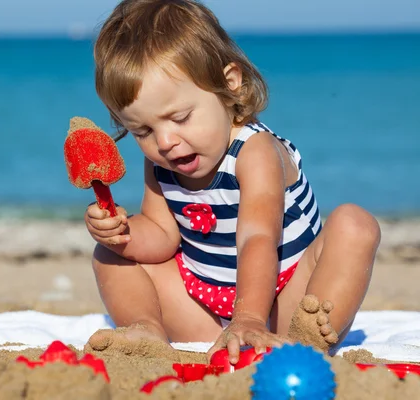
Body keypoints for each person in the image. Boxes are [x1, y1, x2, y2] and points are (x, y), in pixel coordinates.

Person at [82, 0, 380, 364]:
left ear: (229, 85)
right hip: (204, 309)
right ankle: (147, 330)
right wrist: (118, 230)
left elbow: (258, 238)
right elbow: (161, 237)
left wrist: (250, 318)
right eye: (142, 130)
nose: (164, 142)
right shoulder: (161, 162)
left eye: (180, 117)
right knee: (108, 257)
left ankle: (306, 342)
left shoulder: (254, 152)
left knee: (354, 225)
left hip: (285, 302)